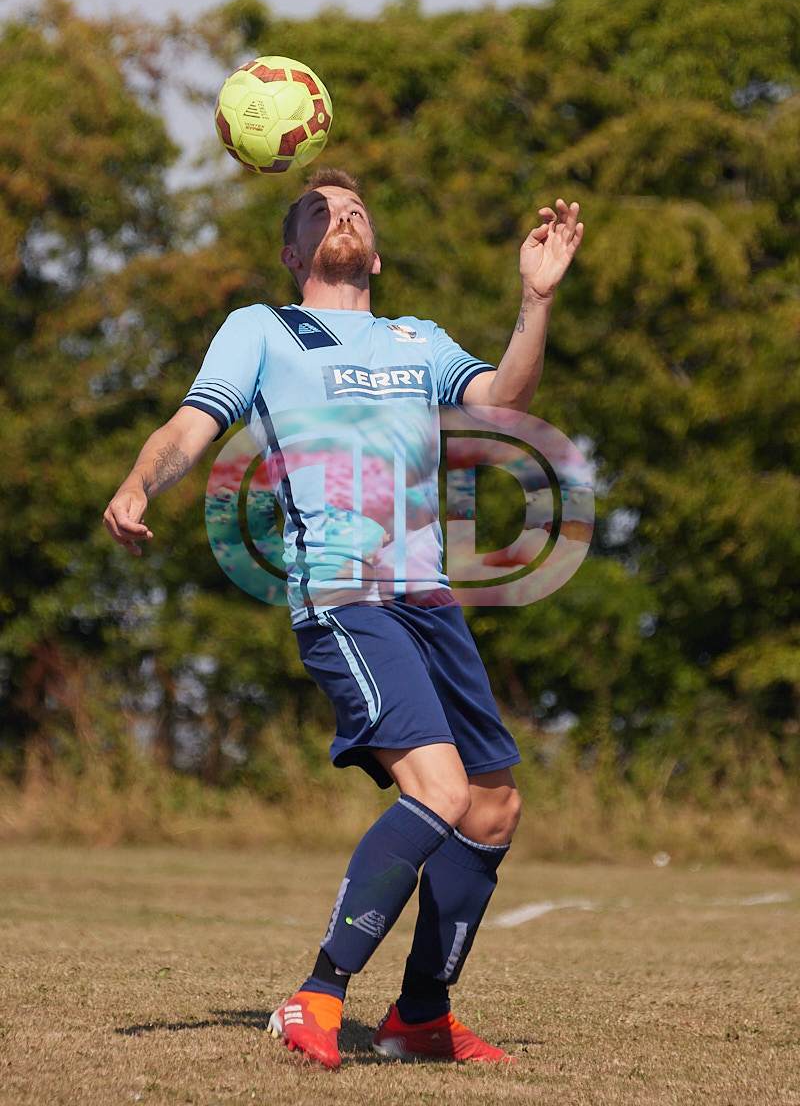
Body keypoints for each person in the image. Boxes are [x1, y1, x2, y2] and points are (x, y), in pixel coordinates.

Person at [103, 168, 583, 1070]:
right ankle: (317, 995)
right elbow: (190, 426)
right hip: (344, 595)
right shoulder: (262, 328)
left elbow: (503, 401)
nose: (343, 216)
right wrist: (138, 482)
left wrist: (536, 299)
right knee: (439, 792)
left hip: (428, 597)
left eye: (355, 208)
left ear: (377, 251)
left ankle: (420, 1019)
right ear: (293, 253)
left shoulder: (417, 338)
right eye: (320, 211)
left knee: (491, 809)